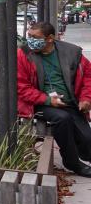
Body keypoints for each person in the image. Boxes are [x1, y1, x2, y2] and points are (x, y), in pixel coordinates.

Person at [16, 21, 91, 177]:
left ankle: (85, 156)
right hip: (39, 103)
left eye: (34, 37)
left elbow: (88, 76)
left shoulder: (71, 52)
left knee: (86, 139)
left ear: (50, 38)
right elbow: (21, 87)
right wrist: (48, 100)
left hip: (69, 102)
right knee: (62, 119)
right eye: (29, 36)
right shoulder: (24, 54)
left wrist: (86, 98)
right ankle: (72, 162)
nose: (30, 40)